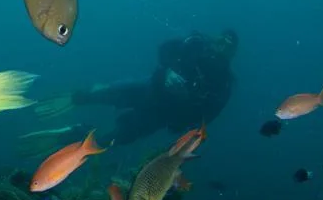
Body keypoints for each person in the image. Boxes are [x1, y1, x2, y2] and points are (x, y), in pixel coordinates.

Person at [63, 29, 238, 146]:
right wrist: (168, 71)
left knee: (121, 135)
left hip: (163, 115)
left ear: (233, 53)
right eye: (221, 41)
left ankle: (82, 141)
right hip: (151, 87)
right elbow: (165, 49)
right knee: (110, 94)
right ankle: (76, 99)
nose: (222, 47)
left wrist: (187, 99)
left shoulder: (224, 83)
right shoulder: (196, 45)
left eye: (229, 47)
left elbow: (205, 118)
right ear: (216, 38)